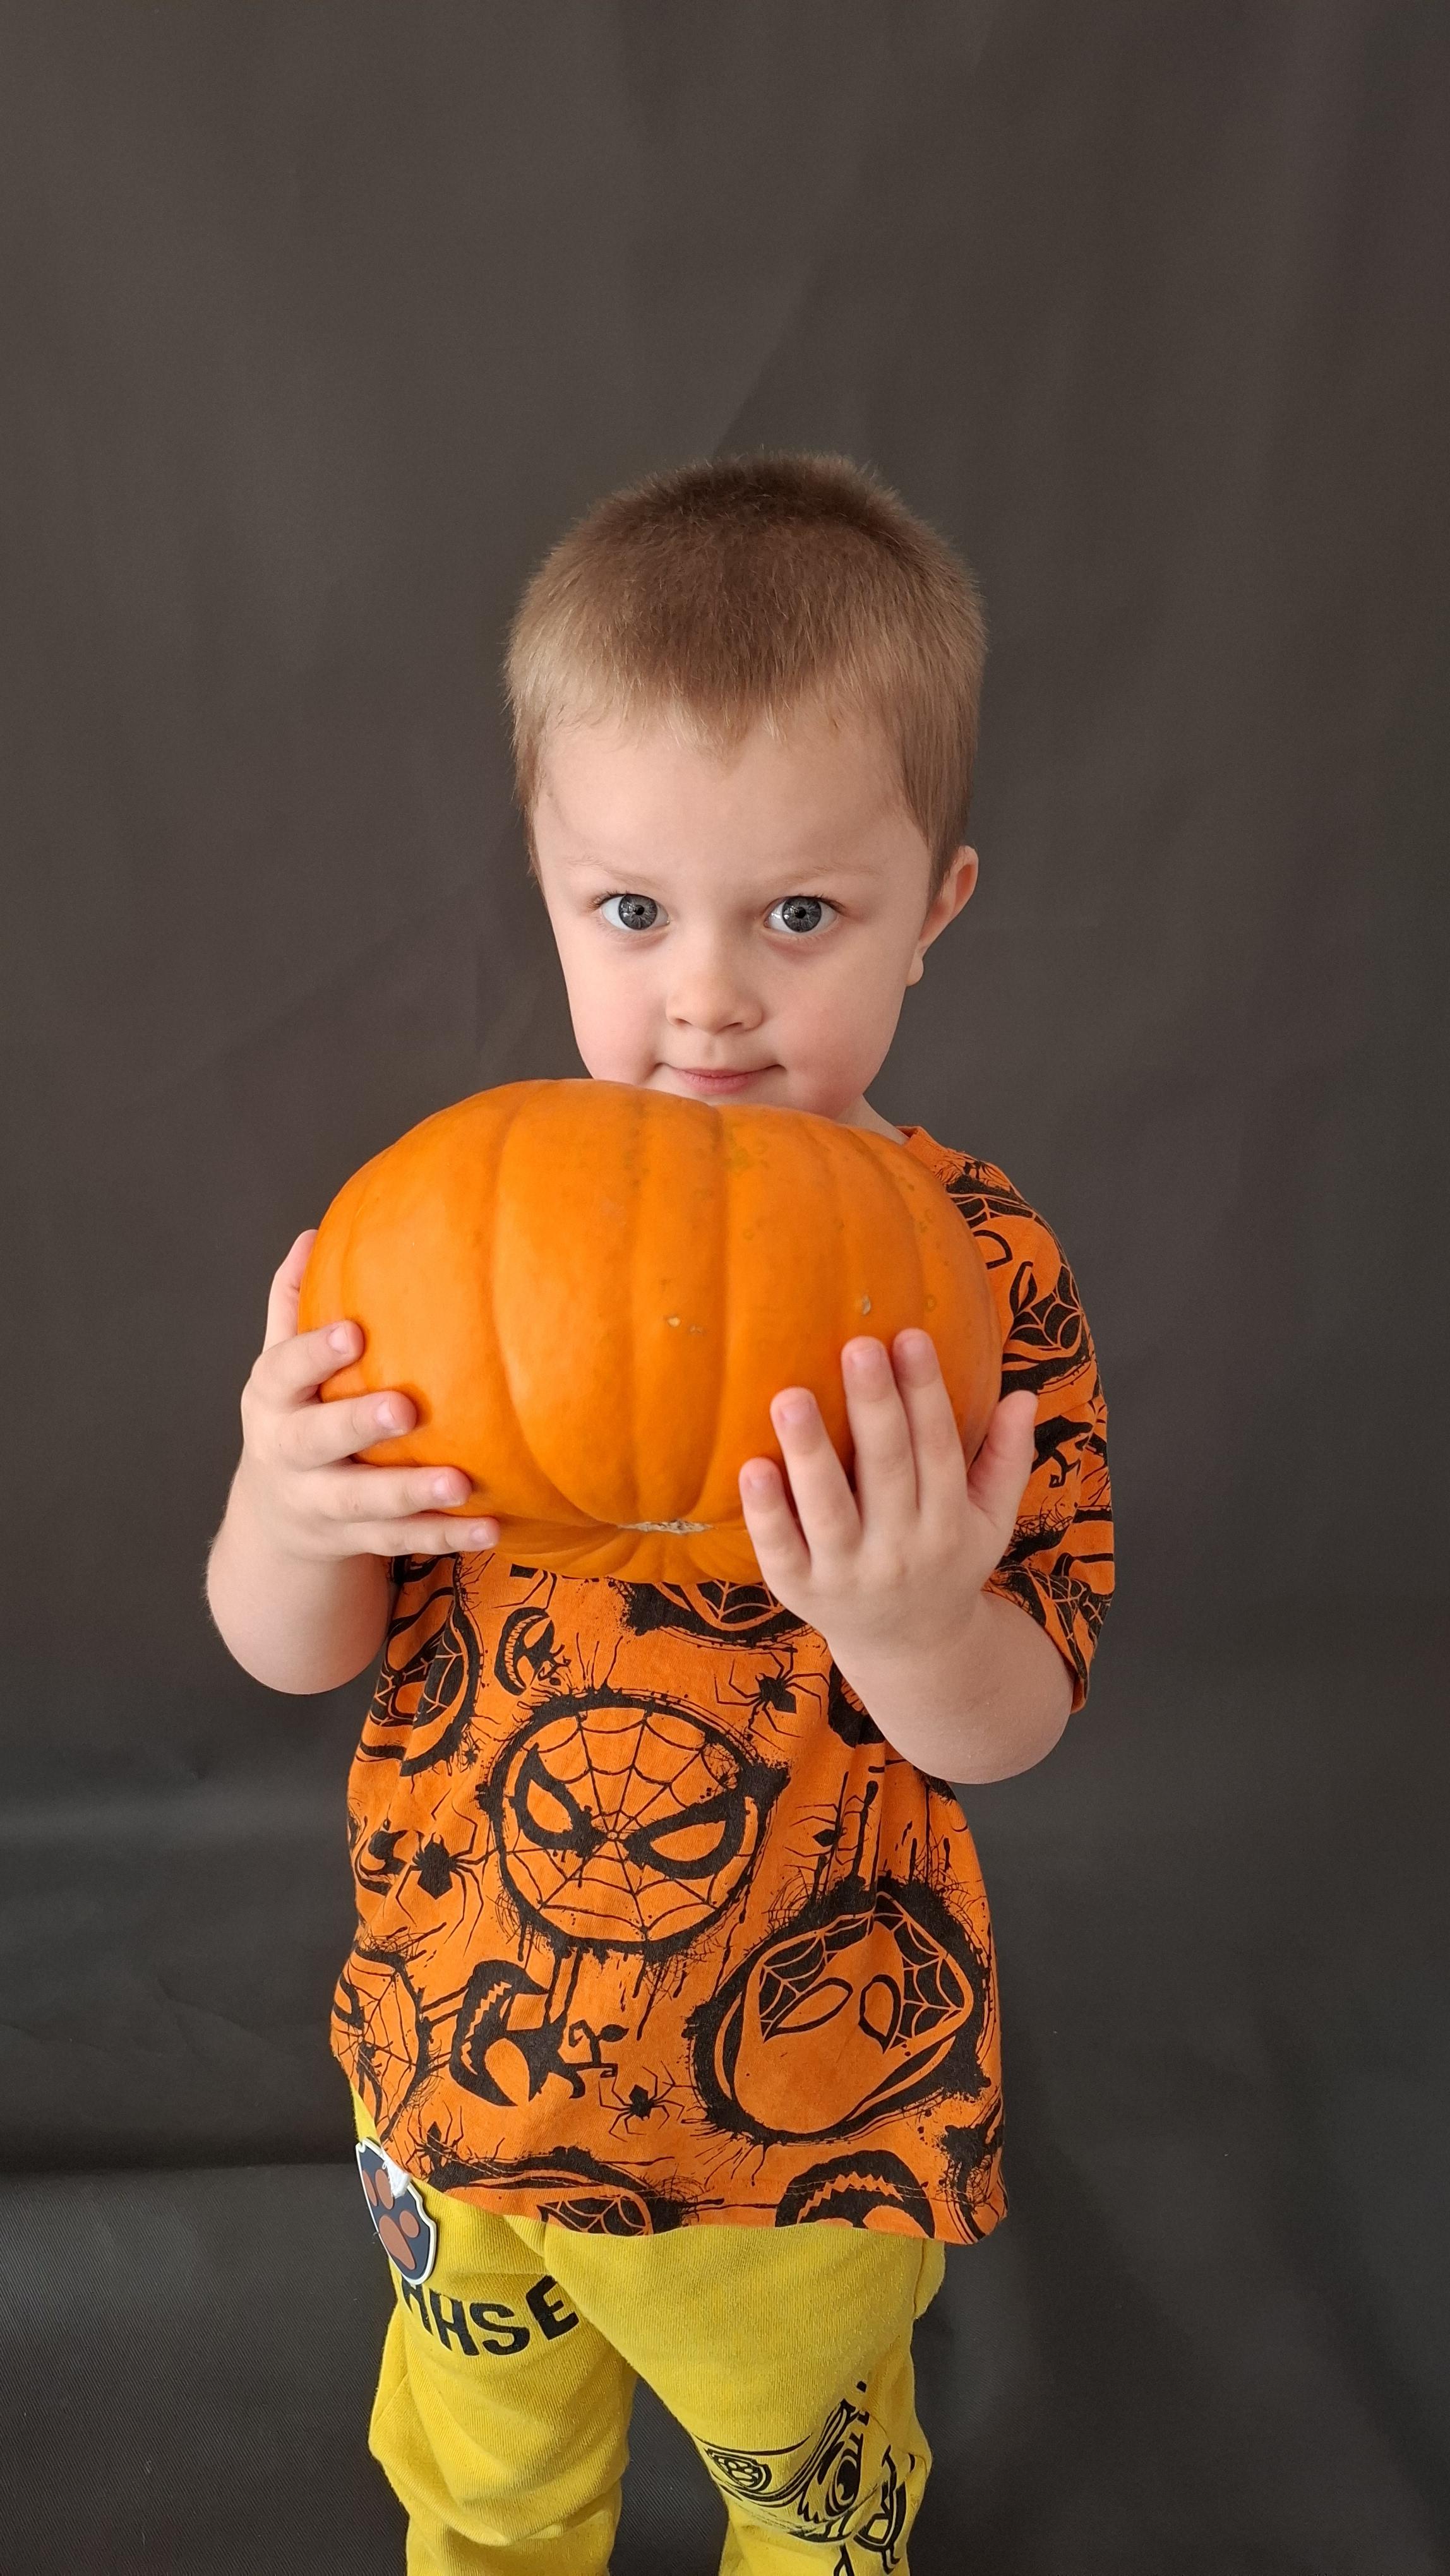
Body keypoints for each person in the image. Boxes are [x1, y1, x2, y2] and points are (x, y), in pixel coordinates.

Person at [207, 452, 1113, 2575]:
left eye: (799, 915)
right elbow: (289, 1651)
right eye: (632, 912)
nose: (707, 996)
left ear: (935, 906)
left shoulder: (976, 1273)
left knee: (810, 2494)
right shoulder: (440, 1242)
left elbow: (1022, 1715)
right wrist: (288, 1512)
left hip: (795, 2122)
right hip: (461, 2077)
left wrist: (918, 1623)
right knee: (486, 2489)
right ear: (546, 880)